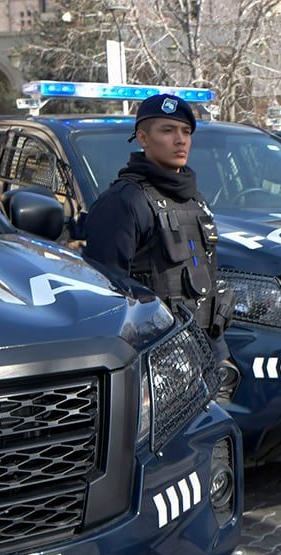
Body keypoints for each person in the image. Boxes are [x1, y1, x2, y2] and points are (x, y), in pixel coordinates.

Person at [84, 93, 232, 358]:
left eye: (186, 131)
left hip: (205, 348)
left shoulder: (195, 201)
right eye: (168, 130)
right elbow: (108, 296)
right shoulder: (123, 202)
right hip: (156, 355)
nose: (180, 140)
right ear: (143, 138)